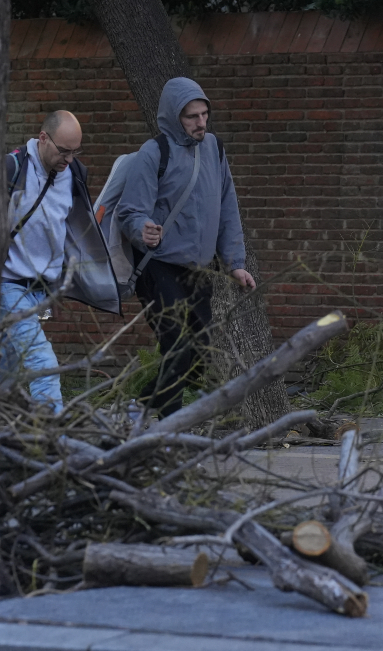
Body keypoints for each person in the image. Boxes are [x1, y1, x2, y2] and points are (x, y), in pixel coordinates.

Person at [116, 77, 256, 417]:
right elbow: (130, 211)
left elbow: (227, 208)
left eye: (204, 114)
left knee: (200, 350)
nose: (201, 123)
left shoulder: (215, 150)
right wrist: (141, 229)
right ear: (173, 117)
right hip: (158, 264)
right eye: (192, 116)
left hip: (198, 269)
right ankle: (170, 426)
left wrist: (235, 262)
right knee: (177, 345)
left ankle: (144, 405)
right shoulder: (155, 153)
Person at [0, 111, 120, 414]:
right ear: (43, 138)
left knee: (6, 365)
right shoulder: (12, 167)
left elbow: (72, 228)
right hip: (8, 283)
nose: (69, 158)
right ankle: (53, 437)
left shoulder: (75, 173)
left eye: (75, 151)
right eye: (63, 150)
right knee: (42, 360)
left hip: (42, 289)